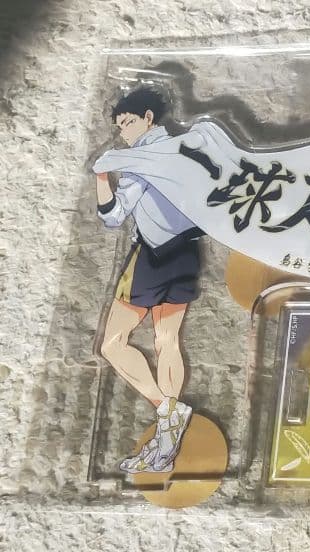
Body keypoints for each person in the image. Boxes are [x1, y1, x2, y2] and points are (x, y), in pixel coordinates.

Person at [94, 88, 200, 472]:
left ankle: (166, 411)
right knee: (166, 340)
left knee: (112, 343)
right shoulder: (185, 149)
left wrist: (101, 175)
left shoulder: (141, 159)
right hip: (186, 252)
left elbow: (113, 215)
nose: (123, 131)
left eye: (128, 122)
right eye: (119, 125)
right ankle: (166, 442)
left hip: (152, 258)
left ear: (148, 118)